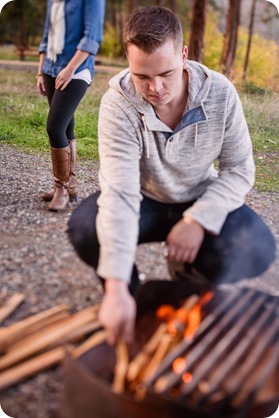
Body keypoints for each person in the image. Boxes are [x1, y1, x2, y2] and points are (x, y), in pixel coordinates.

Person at [67, 6, 276, 345]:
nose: (156, 88)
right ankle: (131, 299)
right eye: (142, 77)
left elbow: (240, 170)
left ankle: (188, 279)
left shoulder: (220, 93)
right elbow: (120, 193)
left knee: (256, 248)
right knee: (86, 227)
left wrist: (198, 221)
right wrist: (116, 285)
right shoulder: (117, 105)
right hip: (144, 198)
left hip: (197, 195)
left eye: (165, 73)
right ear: (130, 63)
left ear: (183, 55)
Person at [37, 0, 105, 211]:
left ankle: (61, 189)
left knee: (54, 127)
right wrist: (41, 71)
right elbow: (47, 35)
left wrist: (69, 69)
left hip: (76, 69)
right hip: (50, 66)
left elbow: (91, 38)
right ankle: (71, 184)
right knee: (66, 126)